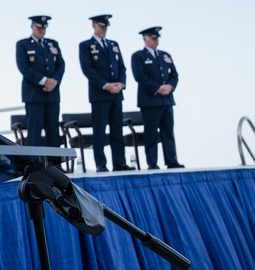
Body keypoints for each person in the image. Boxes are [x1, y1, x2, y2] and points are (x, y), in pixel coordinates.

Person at [78, 14, 132, 172]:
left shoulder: (113, 45)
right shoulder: (86, 45)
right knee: (100, 130)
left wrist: (121, 84)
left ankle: (119, 162)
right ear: (94, 25)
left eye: (106, 27)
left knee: (117, 130)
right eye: (101, 26)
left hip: (116, 94)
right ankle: (101, 163)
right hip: (100, 94)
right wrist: (105, 85)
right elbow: (87, 69)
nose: (104, 29)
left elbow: (121, 67)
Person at [130, 26, 184, 170]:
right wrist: (157, 88)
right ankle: (152, 162)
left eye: (157, 38)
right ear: (145, 38)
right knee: (151, 133)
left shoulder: (165, 55)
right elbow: (140, 76)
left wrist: (170, 87)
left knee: (168, 132)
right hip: (150, 101)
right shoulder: (138, 56)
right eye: (153, 38)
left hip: (166, 100)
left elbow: (174, 75)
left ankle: (171, 161)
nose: (156, 40)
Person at [15, 15, 64, 148]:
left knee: (54, 132)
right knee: (34, 133)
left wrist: (54, 81)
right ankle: (34, 166)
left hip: (52, 95)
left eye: (44, 27)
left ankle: (55, 166)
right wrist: (43, 81)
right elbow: (24, 67)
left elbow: (61, 65)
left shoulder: (53, 44)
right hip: (34, 95)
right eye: (39, 27)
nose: (42, 30)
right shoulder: (23, 44)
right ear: (32, 27)